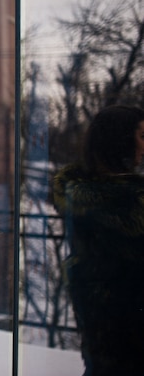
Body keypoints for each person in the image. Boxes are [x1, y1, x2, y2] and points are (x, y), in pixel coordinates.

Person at [52, 104, 144, 376]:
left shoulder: (85, 196)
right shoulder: (121, 204)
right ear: (121, 142)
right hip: (122, 329)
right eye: (141, 136)